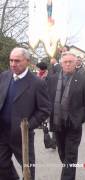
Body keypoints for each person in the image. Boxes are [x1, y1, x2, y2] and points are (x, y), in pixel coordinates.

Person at [0, 47, 51, 180]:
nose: (13, 64)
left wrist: (27, 126)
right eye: (11, 60)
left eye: (17, 61)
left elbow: (45, 109)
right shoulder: (4, 76)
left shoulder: (37, 83)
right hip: (2, 132)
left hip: (22, 136)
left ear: (27, 61)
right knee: (2, 165)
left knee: (27, 170)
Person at [47, 52, 85, 180]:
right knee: (62, 154)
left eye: (70, 62)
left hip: (73, 124)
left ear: (75, 63)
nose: (68, 64)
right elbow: (47, 100)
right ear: (61, 63)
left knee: (71, 155)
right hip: (57, 123)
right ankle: (69, 173)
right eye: (65, 62)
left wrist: (80, 119)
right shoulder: (52, 79)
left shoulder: (83, 80)